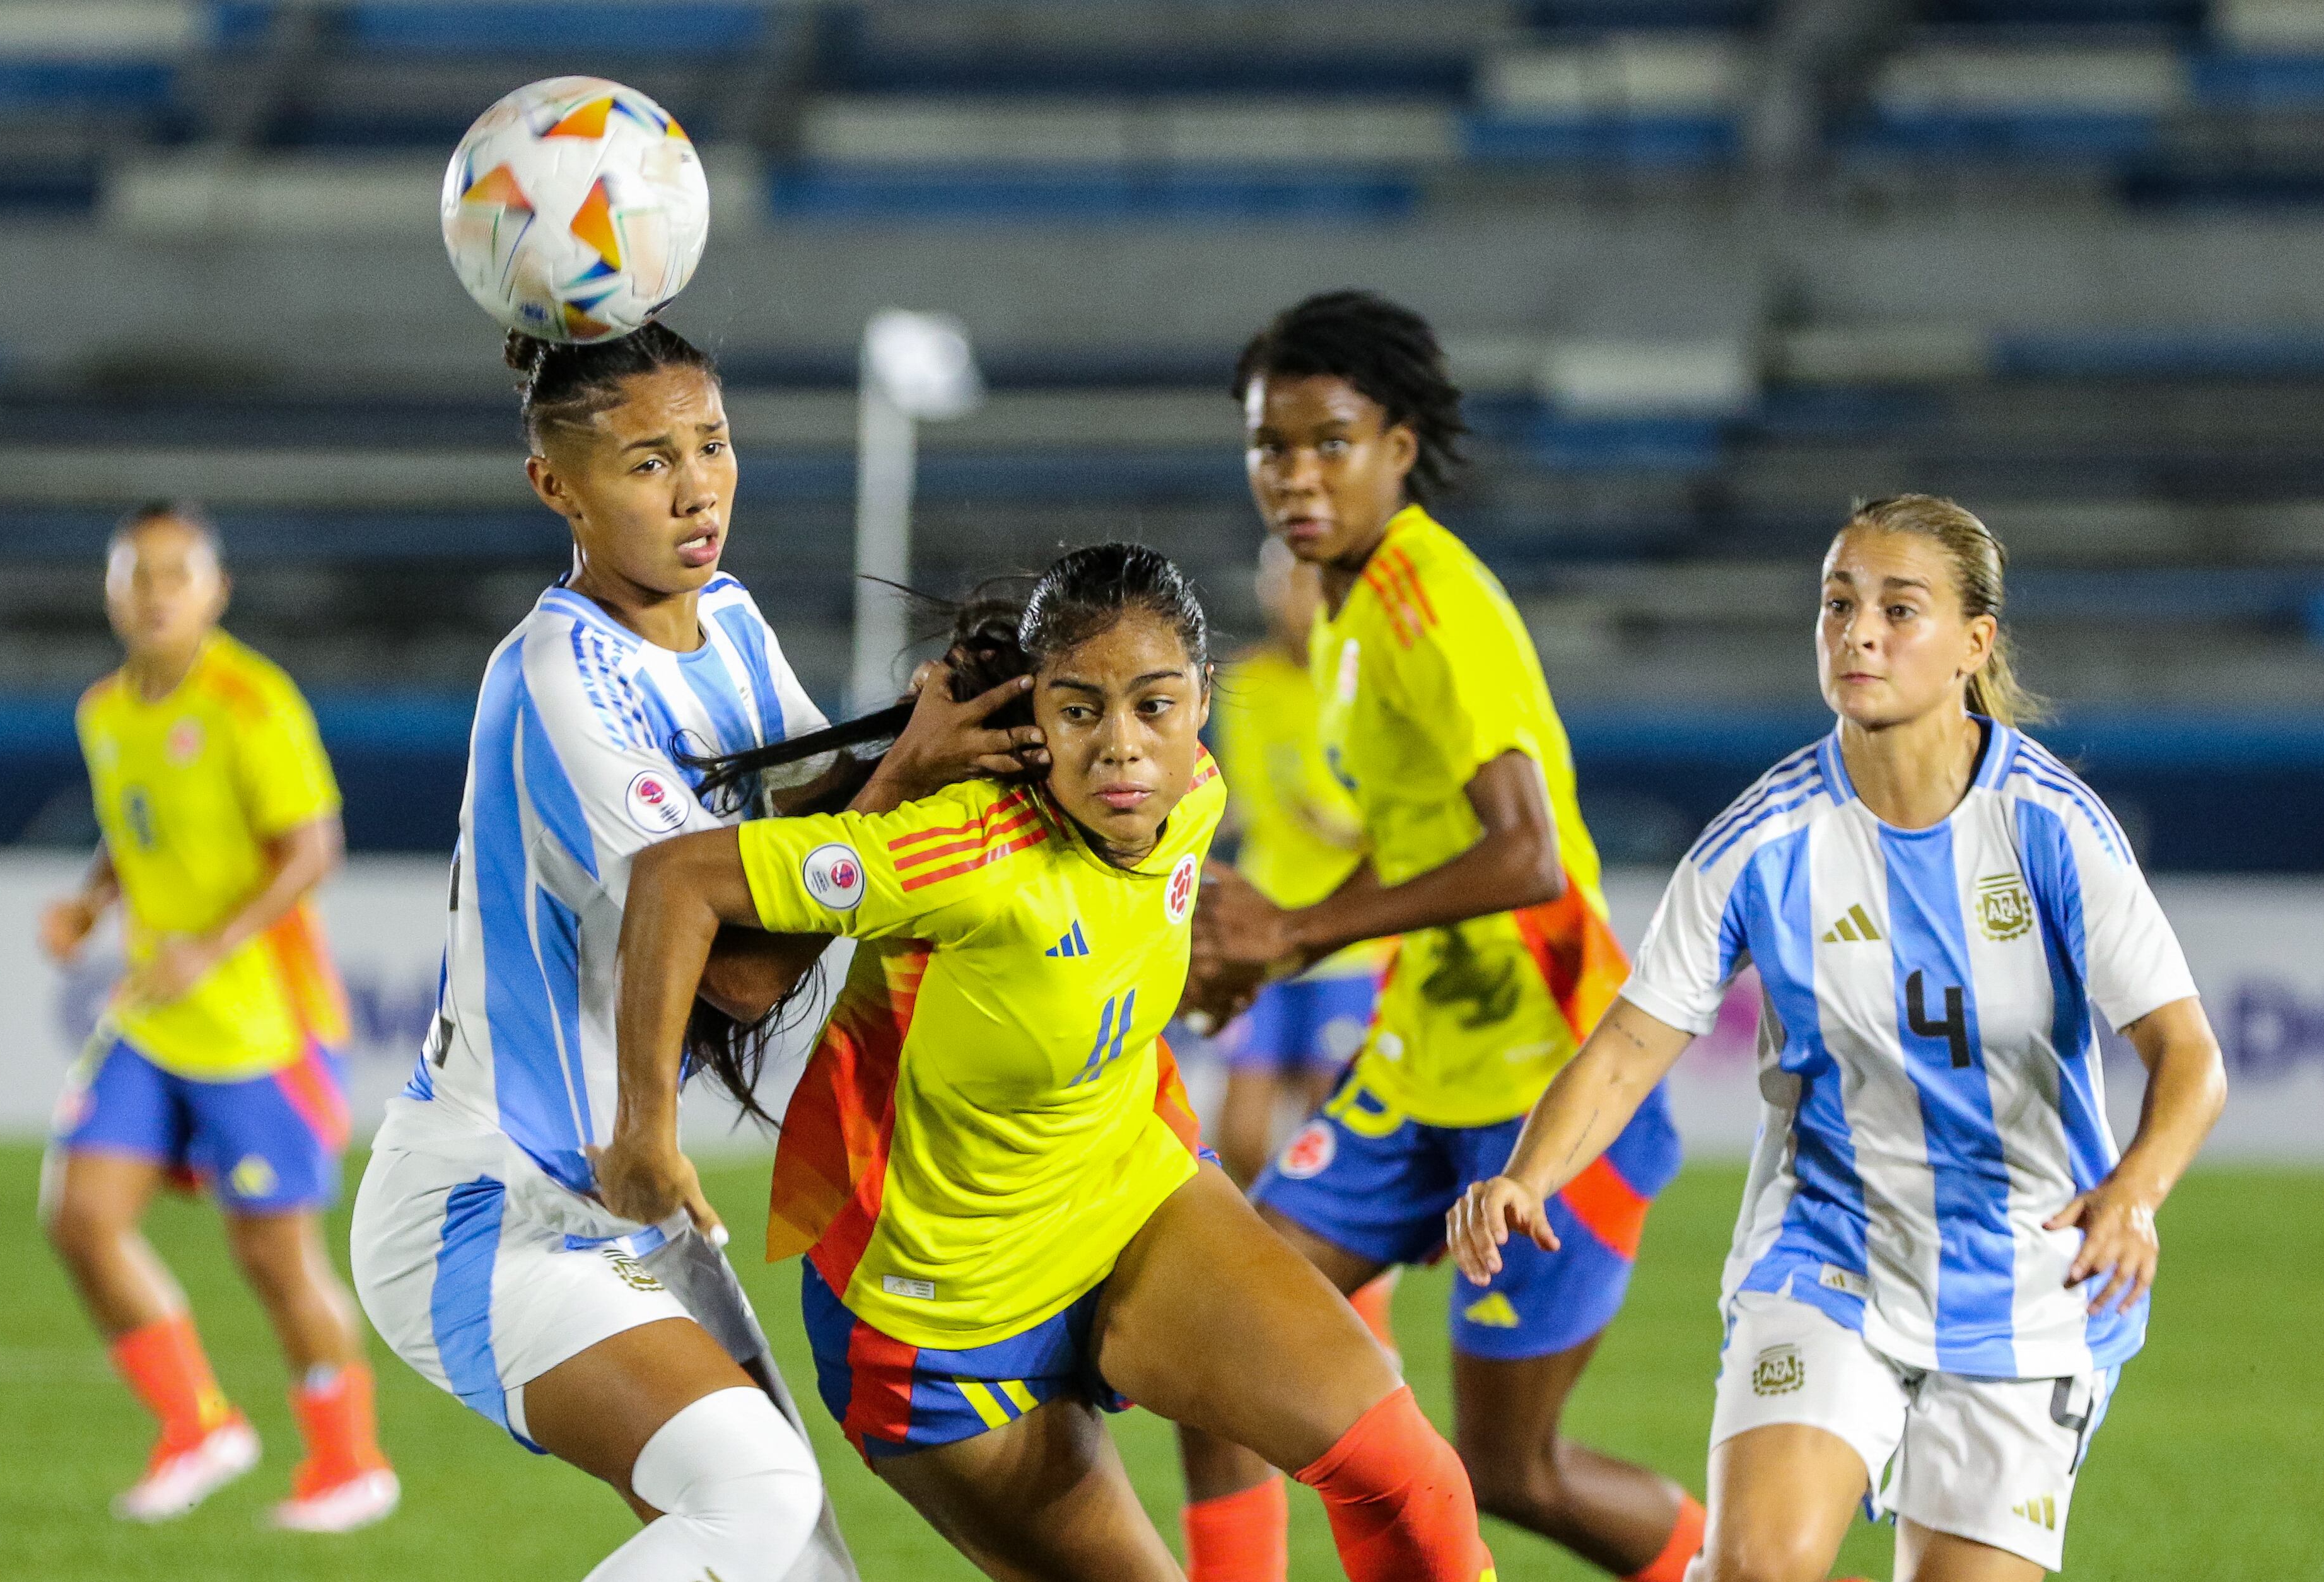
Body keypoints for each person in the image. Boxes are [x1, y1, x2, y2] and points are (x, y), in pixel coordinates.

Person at [600, 543, 1497, 1582]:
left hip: (1130, 1201)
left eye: (1154, 706)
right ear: (1042, 718)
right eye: (1081, 711)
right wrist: (643, 1133)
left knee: (1408, 1473)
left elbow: (1117, 931)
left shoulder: (1196, 791)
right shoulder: (960, 852)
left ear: (1202, 700)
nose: (1123, 746)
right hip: (938, 1328)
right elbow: (674, 881)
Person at [348, 323, 1041, 1582]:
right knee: (758, 1503)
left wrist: (927, 737)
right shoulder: (561, 675)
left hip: (628, 1195)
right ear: (555, 487)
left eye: (712, 444)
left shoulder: (724, 616)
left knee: (797, 1563)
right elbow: (737, 966)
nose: (699, 485)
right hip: (489, 1207)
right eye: (647, 461)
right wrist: (901, 778)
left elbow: (802, 824)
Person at [1450, 494, 2229, 1582]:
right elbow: (1629, 1041)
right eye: (1836, 602)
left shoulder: (2052, 827)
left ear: (1973, 643)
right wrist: (1526, 1174)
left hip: (2028, 1277)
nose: (1857, 630)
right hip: (1828, 1253)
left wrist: (2135, 1187)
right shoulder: (1760, 838)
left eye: (1896, 608)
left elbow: (2186, 1051)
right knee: (1755, 1565)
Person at [1181, 290, 1702, 1582]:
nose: (1295, 477)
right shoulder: (1347, 607)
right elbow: (1415, 840)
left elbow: (1523, 855)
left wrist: (1301, 924)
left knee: (1510, 1470)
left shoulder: (1432, 605)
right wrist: (1287, 945)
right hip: (1421, 1064)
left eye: (1330, 442)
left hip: (1552, 1083)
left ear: (1399, 448)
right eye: (1270, 446)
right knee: (1216, 1345)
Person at [38, 503, 395, 1530]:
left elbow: (311, 847)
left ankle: (349, 1460)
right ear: (110, 591)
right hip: (153, 1016)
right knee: (80, 1215)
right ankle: (197, 1423)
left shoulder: (250, 701)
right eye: (135, 573)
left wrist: (212, 944)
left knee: (274, 1257)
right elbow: (132, 825)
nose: (154, 591)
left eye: (175, 573)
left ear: (215, 591)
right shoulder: (104, 710)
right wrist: (91, 899)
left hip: (259, 1025)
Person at [1206, 537, 1389, 1189]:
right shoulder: (1242, 682)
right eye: (1283, 581)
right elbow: (1234, 799)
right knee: (1242, 1132)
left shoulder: (1363, 680)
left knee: (1326, 1127)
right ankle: (1249, 1254)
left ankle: (1322, 1273)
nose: (1295, 596)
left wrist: (1346, 832)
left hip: (1345, 936)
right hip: (1260, 927)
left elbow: (1404, 814)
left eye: (1307, 582)